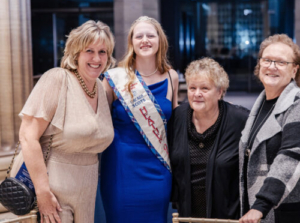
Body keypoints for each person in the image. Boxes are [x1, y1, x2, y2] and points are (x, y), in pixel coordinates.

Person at [11, 20, 116, 223]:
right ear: (75, 52)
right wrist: (43, 193)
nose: (97, 58)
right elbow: (27, 136)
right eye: (89, 50)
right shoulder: (57, 79)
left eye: (102, 52)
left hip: (87, 191)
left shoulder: (101, 90)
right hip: (54, 192)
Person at [238, 34, 300, 223]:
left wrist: (261, 205)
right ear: (259, 65)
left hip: (296, 213)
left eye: (281, 62)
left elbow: (290, 158)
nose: (272, 66)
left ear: (294, 70)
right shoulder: (261, 103)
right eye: (267, 60)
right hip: (265, 211)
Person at [99, 16, 179, 223]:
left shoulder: (172, 77)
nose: (145, 40)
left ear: (160, 40)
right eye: (139, 36)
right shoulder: (114, 78)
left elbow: (177, 123)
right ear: (131, 42)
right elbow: (99, 123)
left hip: (158, 168)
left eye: (151, 35)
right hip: (121, 168)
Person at [168, 57, 249, 219]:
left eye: (205, 88)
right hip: (188, 215)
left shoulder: (240, 120)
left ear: (220, 92)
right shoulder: (177, 118)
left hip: (228, 217)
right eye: (192, 88)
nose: (197, 94)